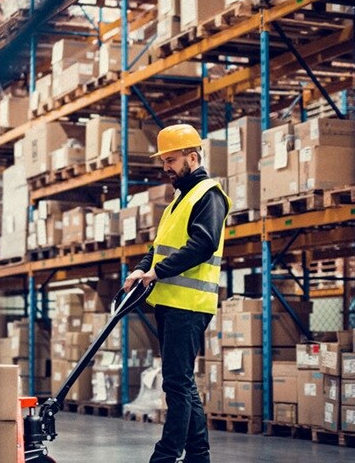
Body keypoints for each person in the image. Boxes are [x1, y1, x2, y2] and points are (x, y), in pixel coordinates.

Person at [123, 123, 230, 463]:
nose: (166, 167)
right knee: (182, 383)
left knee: (176, 384)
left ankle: (165, 456)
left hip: (189, 304)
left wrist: (159, 271)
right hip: (169, 302)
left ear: (192, 157)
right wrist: (142, 268)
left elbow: (204, 243)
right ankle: (199, 455)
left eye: (171, 160)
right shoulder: (178, 200)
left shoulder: (209, 195)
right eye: (164, 161)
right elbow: (158, 247)